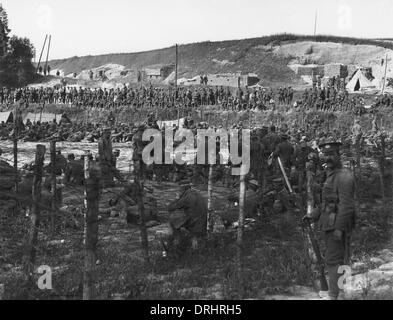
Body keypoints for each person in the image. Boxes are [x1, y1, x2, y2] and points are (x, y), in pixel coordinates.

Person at [305, 139, 355, 300]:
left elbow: (347, 206)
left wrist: (339, 229)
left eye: (331, 154)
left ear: (338, 155)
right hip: (328, 222)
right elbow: (328, 202)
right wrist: (312, 215)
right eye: (325, 155)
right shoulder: (330, 175)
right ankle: (338, 291)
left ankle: (334, 294)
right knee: (337, 259)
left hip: (337, 224)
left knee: (335, 260)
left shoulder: (344, 176)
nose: (327, 158)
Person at [166, 179, 208, 252]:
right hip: (202, 221)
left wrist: (177, 198)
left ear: (183, 188)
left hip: (196, 223)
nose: (178, 190)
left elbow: (170, 208)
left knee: (173, 222)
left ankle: (176, 244)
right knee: (178, 218)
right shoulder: (195, 193)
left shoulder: (188, 196)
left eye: (179, 188)